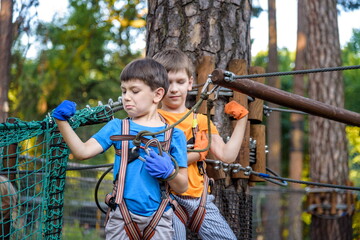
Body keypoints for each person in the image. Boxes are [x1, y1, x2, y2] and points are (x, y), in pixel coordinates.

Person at [52, 58, 188, 240]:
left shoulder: (174, 135)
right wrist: (62, 122)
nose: (126, 97)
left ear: (157, 95)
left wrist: (169, 172)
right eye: (124, 91)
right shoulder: (116, 127)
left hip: (160, 217)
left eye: (135, 91)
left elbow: (183, 186)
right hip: (121, 218)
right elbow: (82, 152)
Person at [153, 48, 248, 240]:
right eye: (167, 82)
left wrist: (242, 120)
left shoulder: (201, 121)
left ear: (189, 83)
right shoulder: (151, 119)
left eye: (180, 82)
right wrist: (197, 154)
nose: (173, 89)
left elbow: (227, 156)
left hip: (198, 199)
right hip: (165, 198)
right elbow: (160, 163)